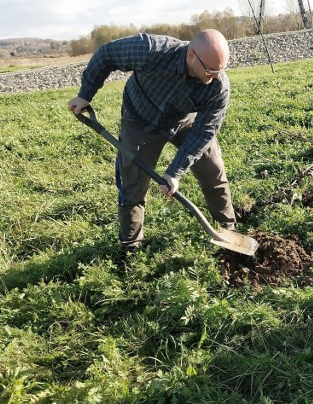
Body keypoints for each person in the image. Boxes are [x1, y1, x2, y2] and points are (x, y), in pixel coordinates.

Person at [67, 29, 237, 260]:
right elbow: (106, 54)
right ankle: (131, 248)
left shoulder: (218, 85)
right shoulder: (152, 49)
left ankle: (229, 231)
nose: (216, 76)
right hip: (139, 120)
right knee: (133, 183)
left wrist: (174, 172)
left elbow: (204, 131)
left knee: (212, 170)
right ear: (191, 55)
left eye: (221, 70)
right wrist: (85, 94)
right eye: (210, 70)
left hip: (184, 121)